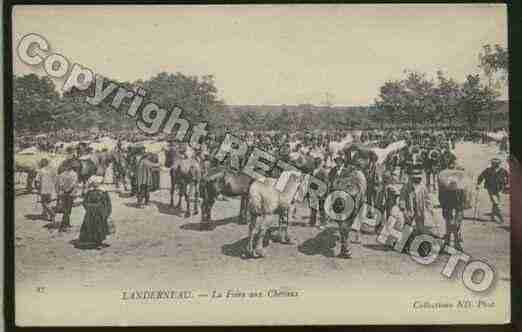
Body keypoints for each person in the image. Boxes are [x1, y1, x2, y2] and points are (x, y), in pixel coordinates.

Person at [77, 176, 111, 249]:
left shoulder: (99, 192)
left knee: (95, 227)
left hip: (94, 213)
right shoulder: (99, 192)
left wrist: (89, 208)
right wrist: (106, 212)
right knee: (97, 227)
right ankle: (96, 242)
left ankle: (96, 242)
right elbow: (107, 204)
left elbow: (85, 203)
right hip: (97, 213)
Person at [477, 158, 509, 224]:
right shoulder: (488, 170)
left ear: (499, 164)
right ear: (492, 164)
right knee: (496, 202)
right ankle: (500, 217)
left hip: (499, 189)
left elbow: (508, 177)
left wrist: (507, 184)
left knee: (496, 203)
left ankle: (492, 216)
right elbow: (481, 176)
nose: (495, 165)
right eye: (493, 164)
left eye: (497, 164)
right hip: (490, 188)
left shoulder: (503, 170)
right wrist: (478, 184)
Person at [56, 163, 79, 232]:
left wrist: (63, 189)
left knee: (65, 207)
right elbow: (73, 184)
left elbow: (60, 183)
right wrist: (68, 190)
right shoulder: (74, 174)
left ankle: (66, 222)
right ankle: (64, 224)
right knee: (68, 209)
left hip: (63, 193)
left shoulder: (62, 174)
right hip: (70, 194)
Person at [35, 158, 56, 223]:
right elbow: (55, 179)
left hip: (43, 188)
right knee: (48, 202)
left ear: (43, 163)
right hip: (50, 188)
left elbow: (37, 180)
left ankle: (52, 214)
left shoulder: (41, 171)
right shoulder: (51, 170)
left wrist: (37, 187)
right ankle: (45, 213)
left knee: (44, 203)